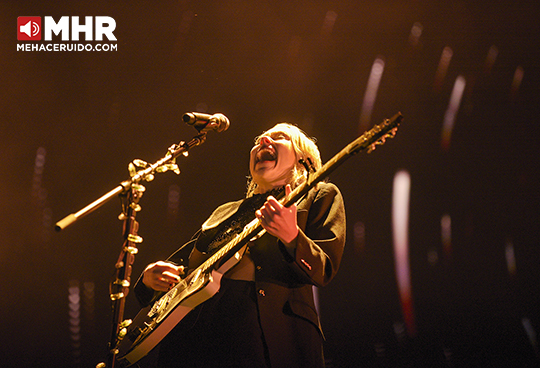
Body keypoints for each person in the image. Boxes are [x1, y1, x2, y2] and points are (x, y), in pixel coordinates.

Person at [134, 122, 346, 367]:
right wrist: (151, 280)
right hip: (194, 335)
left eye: (278, 137)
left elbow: (324, 268)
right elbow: (187, 264)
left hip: (262, 336)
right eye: (258, 141)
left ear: (304, 158)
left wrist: (292, 237)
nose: (263, 142)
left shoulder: (319, 194)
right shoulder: (226, 211)